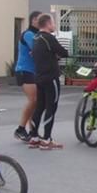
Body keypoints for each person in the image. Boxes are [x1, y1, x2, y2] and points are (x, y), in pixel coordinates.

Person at [28, 13, 68, 150]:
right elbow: (63, 52)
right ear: (48, 24)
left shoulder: (36, 38)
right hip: (51, 77)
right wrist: (55, 54)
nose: (54, 25)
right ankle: (46, 139)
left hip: (39, 77)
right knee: (51, 107)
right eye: (53, 22)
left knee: (40, 106)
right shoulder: (49, 38)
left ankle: (33, 136)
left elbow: (35, 54)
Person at [12, 11, 40, 142]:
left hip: (34, 71)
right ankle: (20, 129)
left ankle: (32, 131)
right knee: (33, 99)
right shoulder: (29, 34)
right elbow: (37, 49)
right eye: (41, 20)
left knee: (36, 101)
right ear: (34, 20)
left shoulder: (37, 34)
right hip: (25, 70)